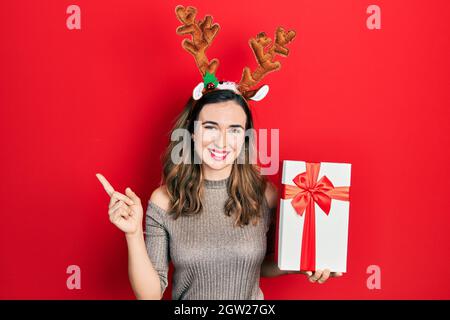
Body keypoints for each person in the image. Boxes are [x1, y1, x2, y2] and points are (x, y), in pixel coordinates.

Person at [96, 89, 342, 300]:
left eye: (234, 130)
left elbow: (260, 265)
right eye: (211, 127)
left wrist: (301, 263)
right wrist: (133, 233)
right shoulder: (164, 201)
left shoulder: (265, 195)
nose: (222, 142)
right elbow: (150, 294)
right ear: (192, 132)